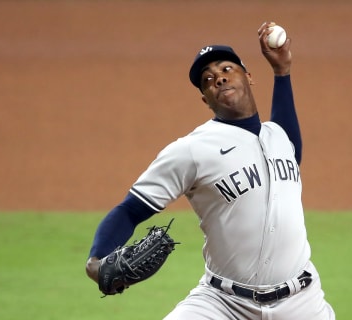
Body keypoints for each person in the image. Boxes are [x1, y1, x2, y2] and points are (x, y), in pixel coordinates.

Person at [86, 21, 335, 320]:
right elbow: (130, 210)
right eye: (208, 79)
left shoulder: (279, 137)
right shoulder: (191, 150)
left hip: (302, 303)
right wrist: (97, 259)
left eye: (227, 69)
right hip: (223, 304)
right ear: (206, 99)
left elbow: (288, 134)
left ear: (249, 76)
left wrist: (282, 72)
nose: (218, 78)